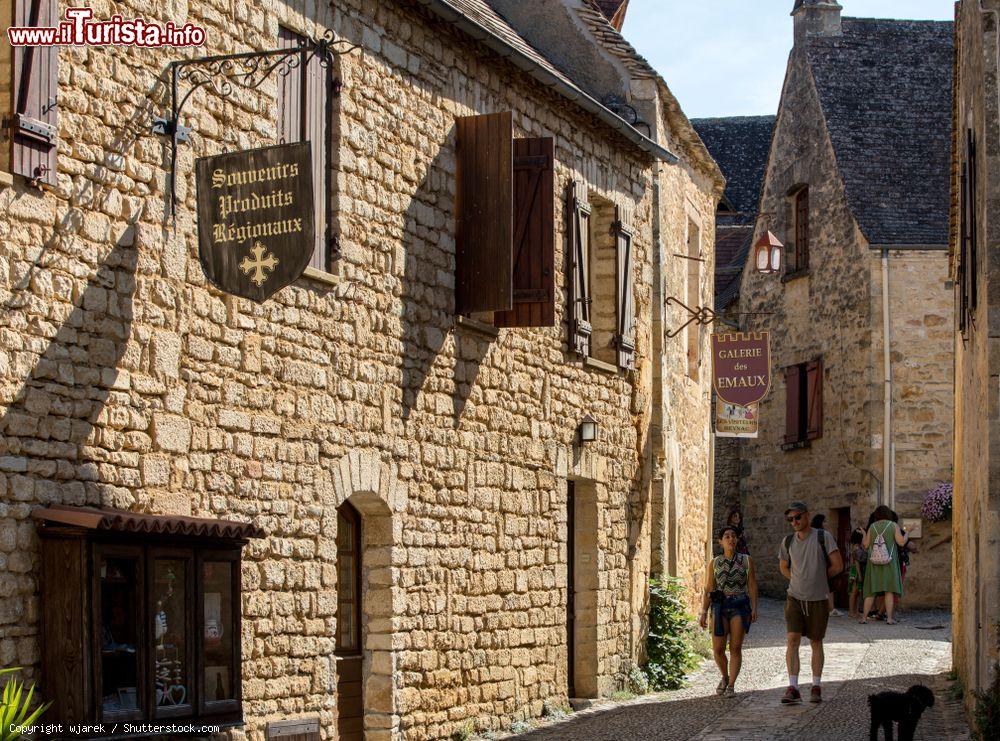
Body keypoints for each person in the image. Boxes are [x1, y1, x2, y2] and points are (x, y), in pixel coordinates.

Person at [778, 501, 843, 704]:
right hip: (794, 597)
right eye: (790, 519)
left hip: (818, 599)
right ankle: (793, 687)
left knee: (816, 641)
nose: (794, 522)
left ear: (807, 516)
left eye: (797, 517)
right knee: (793, 640)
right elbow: (783, 567)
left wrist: (819, 579)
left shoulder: (823, 537)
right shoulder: (787, 542)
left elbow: (838, 565)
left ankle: (815, 686)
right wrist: (797, 579)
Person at [700, 526, 758, 697]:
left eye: (733, 536)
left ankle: (731, 685)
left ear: (737, 539)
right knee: (717, 649)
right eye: (727, 536)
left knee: (735, 647)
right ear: (720, 541)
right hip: (720, 606)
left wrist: (754, 607)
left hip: (740, 605)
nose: (731, 539)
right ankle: (725, 677)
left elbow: (752, 585)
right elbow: (709, 587)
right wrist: (703, 611)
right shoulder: (715, 562)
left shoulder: (746, 560)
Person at [860, 505, 908, 625]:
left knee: (871, 591)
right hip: (889, 563)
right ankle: (890, 619)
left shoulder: (872, 526)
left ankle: (864, 618)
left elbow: (865, 545)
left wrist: (864, 535)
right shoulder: (893, 525)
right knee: (889, 591)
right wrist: (908, 532)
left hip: (874, 564)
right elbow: (901, 542)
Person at [810, 514, 843, 617]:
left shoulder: (810, 535)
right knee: (829, 587)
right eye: (824, 521)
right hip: (824, 563)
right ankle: (831, 608)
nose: (826, 523)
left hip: (813, 564)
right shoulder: (825, 535)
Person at [847, 528, 867, 618]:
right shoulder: (856, 547)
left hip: (857, 570)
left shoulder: (857, 546)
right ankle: (851, 612)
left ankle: (855, 611)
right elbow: (857, 562)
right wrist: (859, 574)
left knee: (857, 592)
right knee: (854, 592)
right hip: (856, 571)